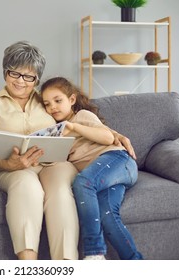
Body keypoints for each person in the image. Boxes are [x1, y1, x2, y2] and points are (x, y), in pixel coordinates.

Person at [0, 41, 80, 260]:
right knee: (27, 183)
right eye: (15, 73)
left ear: (37, 80)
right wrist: (9, 164)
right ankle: (28, 265)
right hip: (9, 170)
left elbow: (79, 119)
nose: (21, 82)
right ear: (6, 72)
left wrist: (112, 135)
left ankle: (65, 264)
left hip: (50, 165)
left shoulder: (47, 100)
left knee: (60, 191)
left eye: (29, 77)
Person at [40, 76, 143, 260]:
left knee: (83, 182)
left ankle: (94, 252)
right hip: (104, 178)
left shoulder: (81, 116)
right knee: (108, 215)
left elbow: (107, 138)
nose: (52, 107)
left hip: (118, 160)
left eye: (58, 101)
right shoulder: (57, 132)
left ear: (71, 100)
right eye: (47, 104)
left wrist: (74, 127)